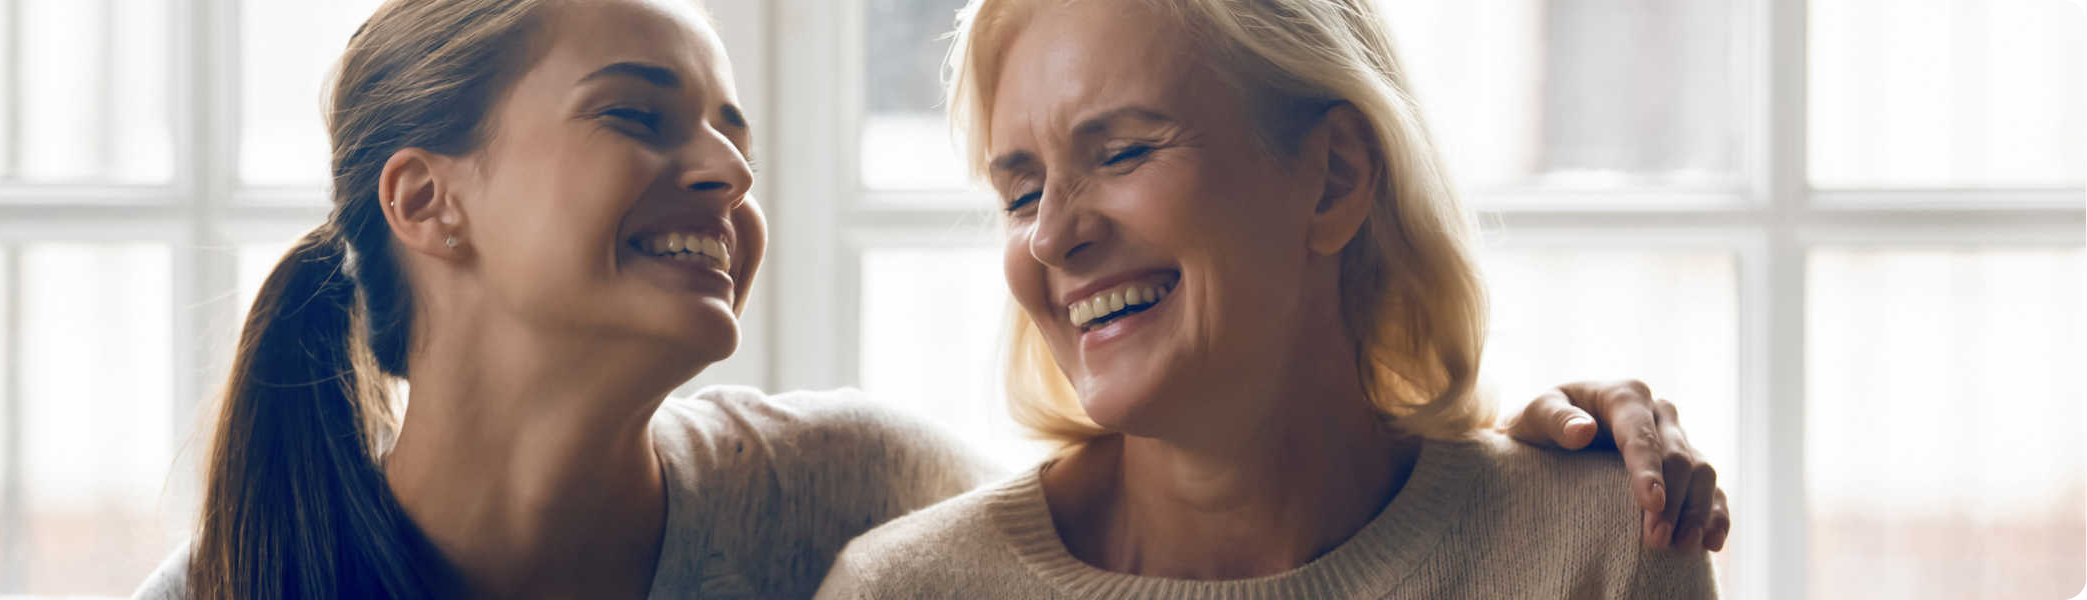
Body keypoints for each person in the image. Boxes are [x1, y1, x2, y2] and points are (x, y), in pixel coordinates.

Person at [135, 0, 1724, 598]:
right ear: (431, 200)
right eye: (637, 115)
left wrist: (1519, 463)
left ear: (1334, 178)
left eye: (734, 137)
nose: (725, 178)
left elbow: (1202, 504)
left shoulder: (856, 501)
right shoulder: (239, 577)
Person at [816, 0, 1721, 598]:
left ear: (1333, 177)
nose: (1051, 236)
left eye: (1124, 152)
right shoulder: (901, 589)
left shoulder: (1601, 548)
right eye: (1019, 193)